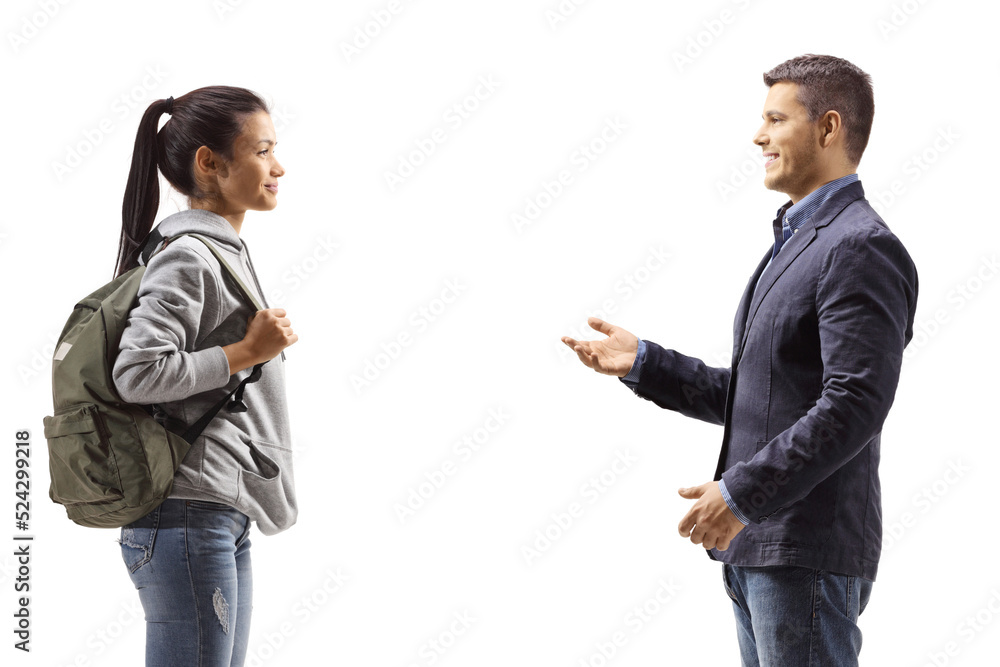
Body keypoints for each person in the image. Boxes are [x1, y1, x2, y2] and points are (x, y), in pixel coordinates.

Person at [562, 54, 918, 666]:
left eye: (776, 120)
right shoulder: (803, 242)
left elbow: (856, 403)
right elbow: (763, 393)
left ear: (828, 128)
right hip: (762, 549)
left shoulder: (860, 247)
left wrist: (741, 494)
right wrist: (645, 362)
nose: (758, 136)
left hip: (801, 549)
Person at [110, 86, 298, 666]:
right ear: (209, 163)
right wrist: (246, 351)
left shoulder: (221, 252)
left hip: (214, 509)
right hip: (187, 512)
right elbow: (137, 373)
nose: (278, 167)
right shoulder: (190, 254)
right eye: (262, 151)